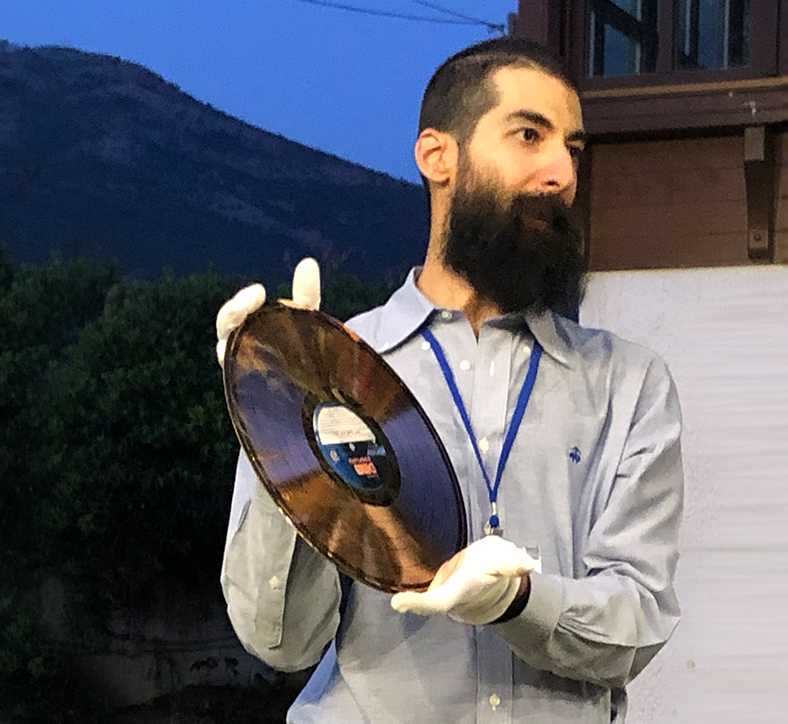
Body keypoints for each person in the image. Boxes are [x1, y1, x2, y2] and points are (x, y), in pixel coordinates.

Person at [217, 37, 683, 723]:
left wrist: (517, 602)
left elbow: (637, 620)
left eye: (574, 149)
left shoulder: (629, 385)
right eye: (529, 134)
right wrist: (275, 425)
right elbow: (282, 640)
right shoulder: (330, 366)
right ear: (439, 156)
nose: (562, 172)